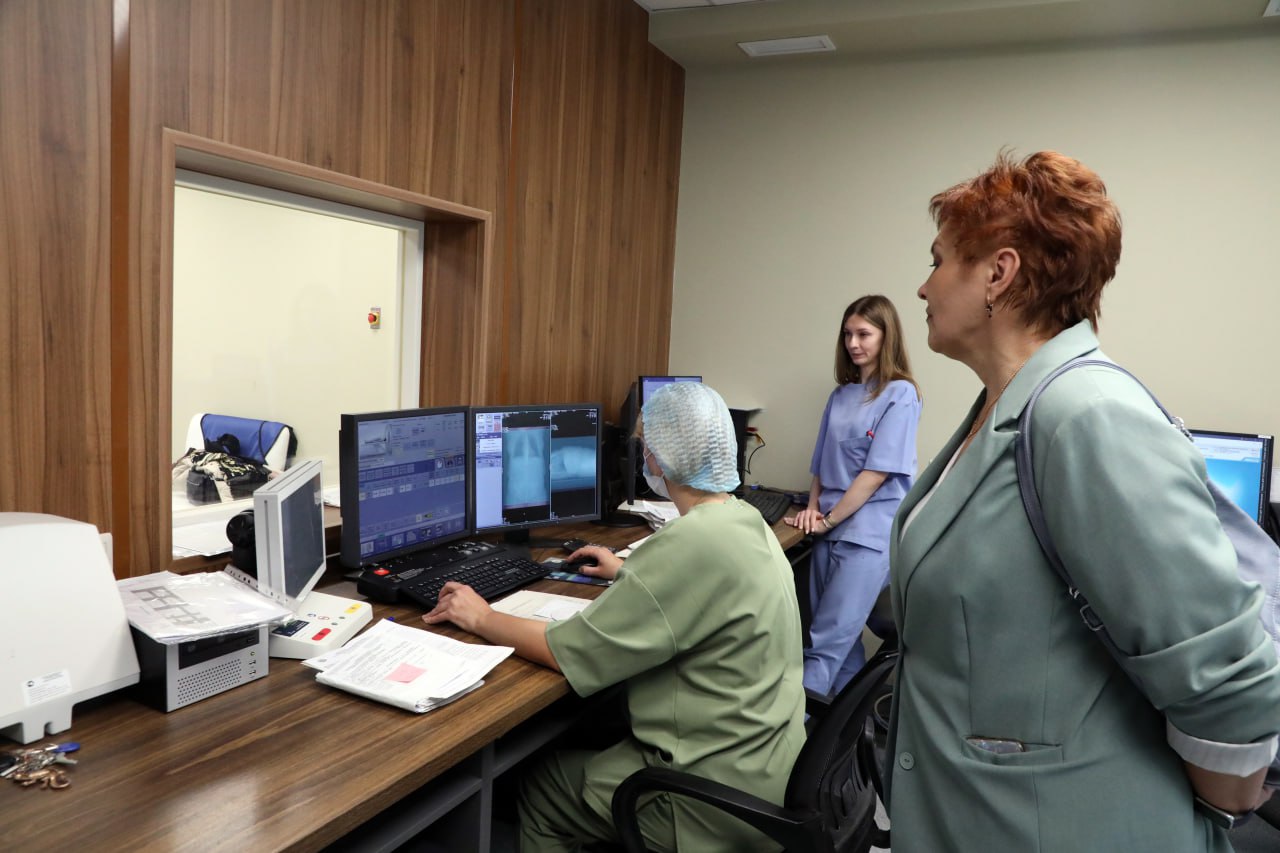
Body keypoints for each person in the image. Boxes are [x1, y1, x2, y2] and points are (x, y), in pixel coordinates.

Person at [887, 150, 1280, 851]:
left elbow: (1229, 675)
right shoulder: (1007, 407)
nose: (923, 285)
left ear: (998, 274)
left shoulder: (1086, 414)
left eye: (939, 260)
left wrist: (1224, 794)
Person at [424, 382, 806, 852]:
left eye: (644, 448)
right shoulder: (744, 520)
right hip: (766, 773)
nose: (643, 458)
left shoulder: (690, 543)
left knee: (542, 787)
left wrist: (480, 617)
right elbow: (706, 589)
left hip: (706, 799)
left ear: (659, 460)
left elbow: (568, 652)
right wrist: (631, 572)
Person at [786, 294, 921, 697]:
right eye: (848, 334)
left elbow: (874, 474)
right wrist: (812, 510)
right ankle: (850, 734)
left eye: (864, 334)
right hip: (827, 529)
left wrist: (827, 519)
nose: (853, 343)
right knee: (840, 650)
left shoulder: (901, 394)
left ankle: (792, 732)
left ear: (886, 337)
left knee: (824, 648)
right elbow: (821, 464)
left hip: (866, 535)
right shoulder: (840, 395)